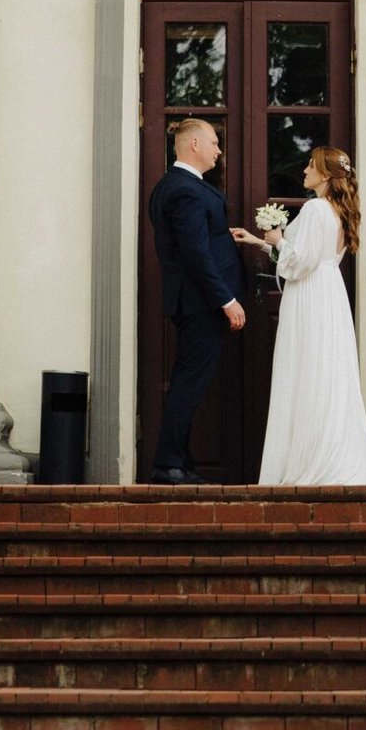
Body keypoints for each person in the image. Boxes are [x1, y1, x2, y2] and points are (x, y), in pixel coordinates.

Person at [233, 146, 366, 486]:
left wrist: (277, 239)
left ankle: (308, 463)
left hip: (310, 295)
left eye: (311, 166)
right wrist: (260, 242)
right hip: (329, 294)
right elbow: (311, 255)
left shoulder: (315, 208)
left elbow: (299, 263)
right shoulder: (339, 210)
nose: (304, 171)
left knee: (305, 370)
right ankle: (328, 452)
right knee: (325, 371)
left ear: (325, 174)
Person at [146, 116, 247, 484]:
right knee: (189, 383)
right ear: (194, 145)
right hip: (201, 303)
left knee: (188, 381)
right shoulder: (184, 190)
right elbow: (194, 254)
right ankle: (169, 465)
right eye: (214, 143)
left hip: (195, 301)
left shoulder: (177, 187)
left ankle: (180, 462)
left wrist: (222, 237)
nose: (219, 151)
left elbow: (197, 242)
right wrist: (226, 299)